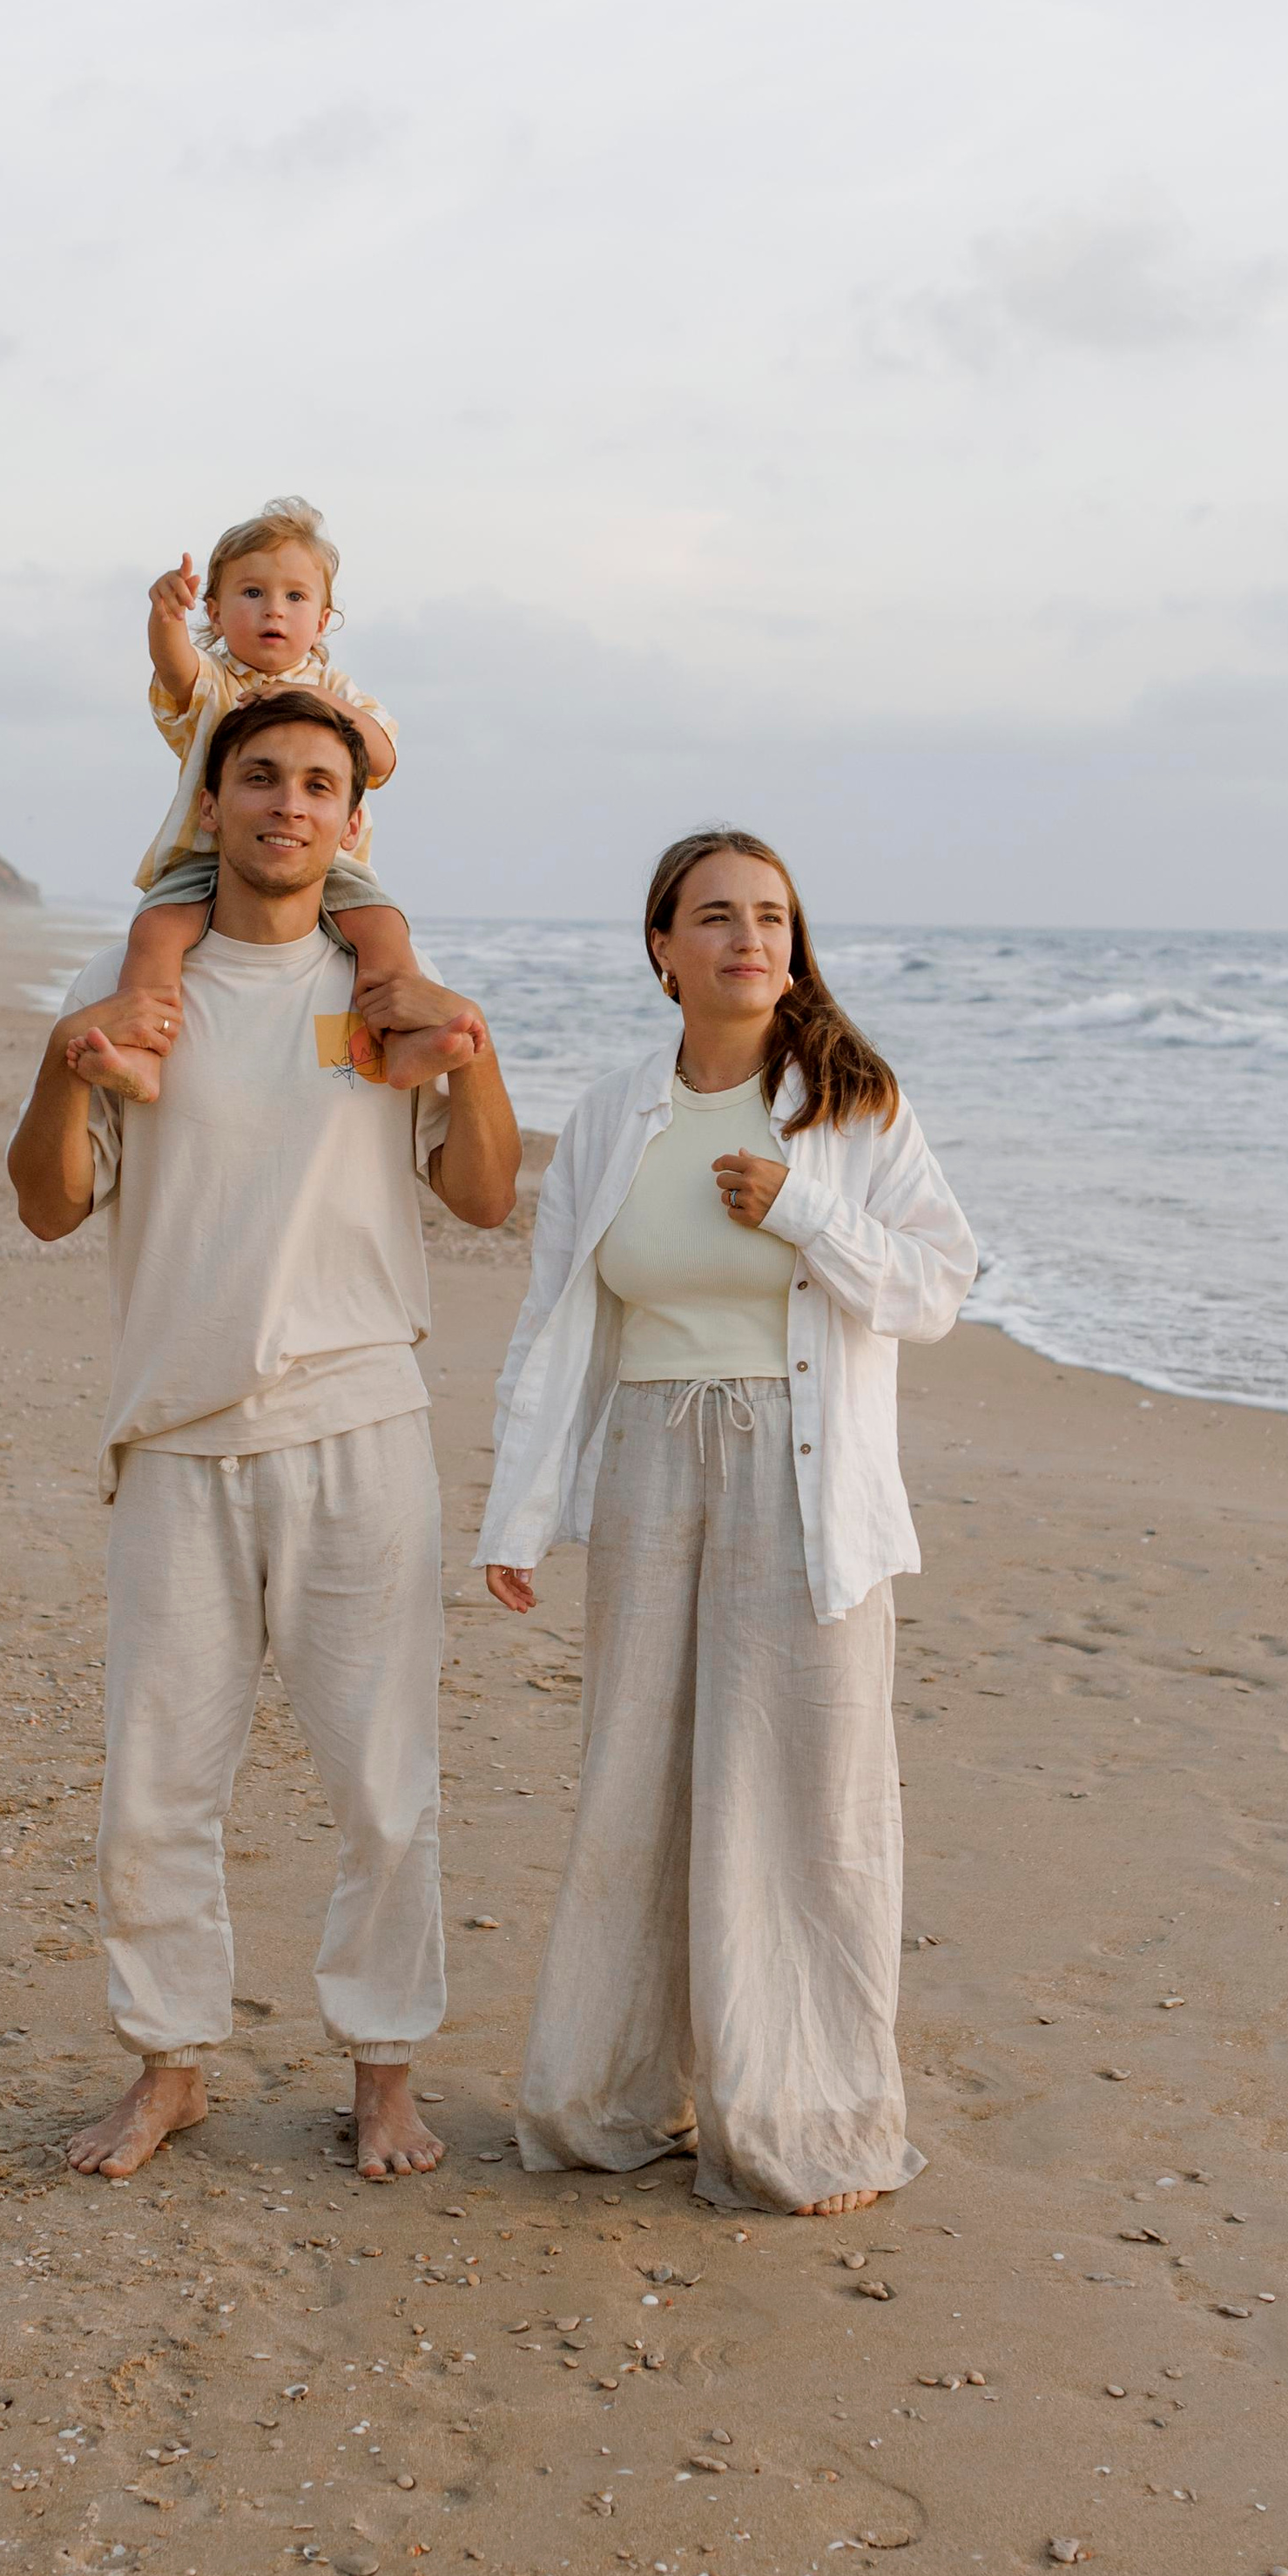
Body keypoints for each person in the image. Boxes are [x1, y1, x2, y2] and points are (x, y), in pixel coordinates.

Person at [9, 688, 521, 2181]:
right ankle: (169, 2067)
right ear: (213, 805)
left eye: (317, 784)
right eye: (261, 778)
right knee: (154, 1782)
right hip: (176, 1432)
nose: (289, 804)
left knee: (382, 1779)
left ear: (352, 823)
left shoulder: (390, 1002)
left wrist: (472, 1054)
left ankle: (384, 2075)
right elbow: (49, 1205)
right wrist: (64, 1061)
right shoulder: (140, 1004)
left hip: (363, 1425)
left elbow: (483, 1199)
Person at [474, 831, 975, 2220]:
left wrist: (807, 1210)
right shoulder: (617, 1111)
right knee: (637, 1775)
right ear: (662, 949)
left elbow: (940, 1284)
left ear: (795, 947)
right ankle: (614, 2097)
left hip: (801, 1480)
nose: (748, 938)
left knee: (803, 1794)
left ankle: (801, 2119)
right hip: (646, 1466)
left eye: (771, 917)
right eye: (715, 917)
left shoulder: (849, 1108)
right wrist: (518, 1513)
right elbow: (560, 1323)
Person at [67, 494, 475, 1103]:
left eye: (295, 597)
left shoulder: (336, 689)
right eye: (251, 593)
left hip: (324, 864)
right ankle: (143, 1053)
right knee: (154, 930)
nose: (272, 611)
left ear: (324, 619)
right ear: (215, 609)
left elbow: (383, 758)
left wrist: (319, 703)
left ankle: (403, 1036)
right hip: (208, 857)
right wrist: (164, 618)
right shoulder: (216, 681)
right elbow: (175, 670)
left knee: (384, 929)